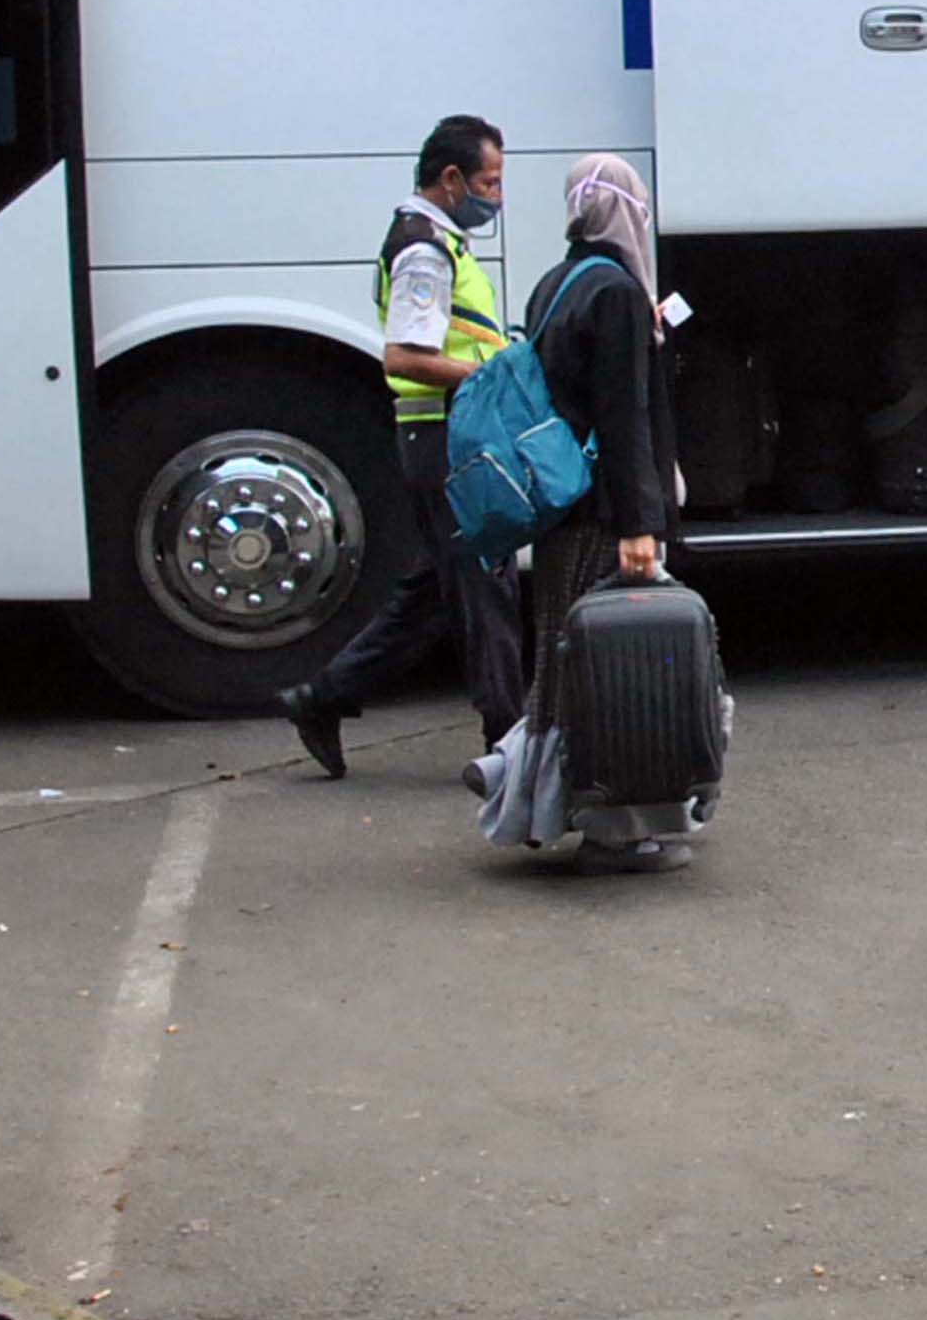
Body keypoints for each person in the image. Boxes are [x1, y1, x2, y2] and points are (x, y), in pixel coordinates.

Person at [278, 114, 527, 778]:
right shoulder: (424, 250)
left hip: (441, 439)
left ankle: (323, 696)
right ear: (450, 180)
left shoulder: (437, 240)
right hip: (449, 440)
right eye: (488, 182)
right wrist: (492, 374)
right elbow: (407, 355)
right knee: (487, 589)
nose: (495, 197)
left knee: (431, 593)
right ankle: (512, 745)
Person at [464, 151, 688, 868]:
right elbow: (623, 419)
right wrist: (640, 527)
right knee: (616, 673)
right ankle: (611, 829)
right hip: (603, 515)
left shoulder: (555, 283)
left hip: (562, 510)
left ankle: (523, 787)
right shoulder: (617, 293)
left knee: (562, 664)